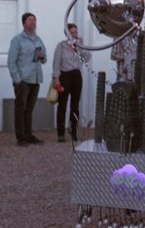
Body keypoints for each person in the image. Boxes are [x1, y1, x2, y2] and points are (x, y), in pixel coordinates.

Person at [8, 13, 47, 147]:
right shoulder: (17, 40)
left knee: (29, 109)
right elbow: (11, 61)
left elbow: (45, 59)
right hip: (23, 80)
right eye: (30, 20)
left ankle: (28, 135)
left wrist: (42, 56)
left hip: (35, 80)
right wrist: (17, 79)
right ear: (24, 23)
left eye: (34, 20)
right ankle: (20, 137)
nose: (33, 22)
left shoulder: (38, 39)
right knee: (20, 108)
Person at [51, 23, 91, 142]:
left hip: (76, 75)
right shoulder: (61, 46)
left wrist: (82, 46)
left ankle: (74, 131)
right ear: (67, 34)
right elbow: (56, 62)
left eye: (75, 32)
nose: (74, 35)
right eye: (72, 33)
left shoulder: (78, 46)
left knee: (75, 105)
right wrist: (55, 78)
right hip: (65, 75)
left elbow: (87, 58)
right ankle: (61, 133)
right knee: (62, 105)